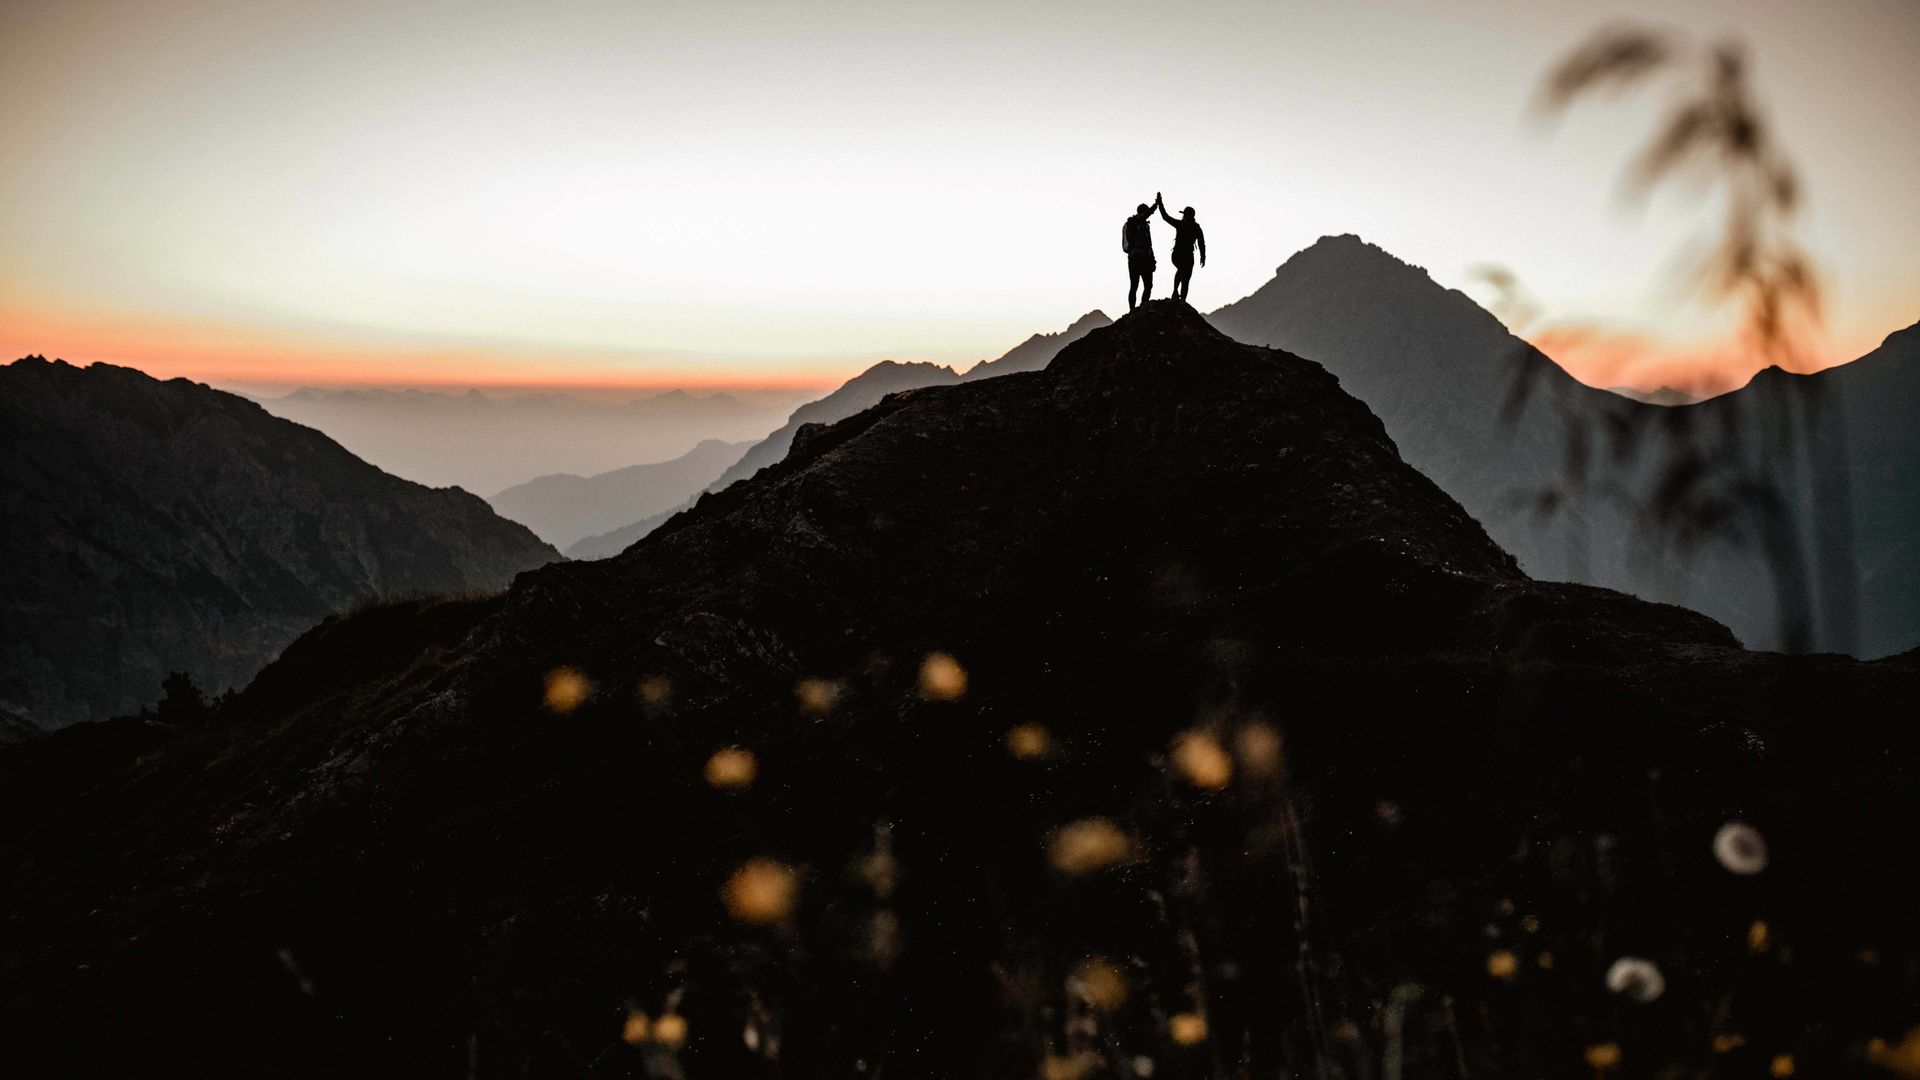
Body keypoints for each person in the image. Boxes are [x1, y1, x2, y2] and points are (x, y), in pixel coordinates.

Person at [1155, 193, 1206, 302]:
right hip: (1185, 255)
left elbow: (1166, 217)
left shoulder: (1181, 224)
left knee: (1183, 273)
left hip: (1178, 255)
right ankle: (1180, 297)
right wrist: (1203, 257)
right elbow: (1201, 244)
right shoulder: (1196, 228)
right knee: (1185, 276)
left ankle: (1177, 294)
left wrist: (1160, 204)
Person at [1121, 202, 1156, 311]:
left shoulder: (1145, 225)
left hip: (1144, 258)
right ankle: (1133, 311)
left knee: (1148, 286)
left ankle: (1142, 307)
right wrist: (1155, 205)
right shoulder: (1132, 222)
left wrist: (1153, 259)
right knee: (1134, 285)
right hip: (1136, 258)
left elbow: (1149, 244)